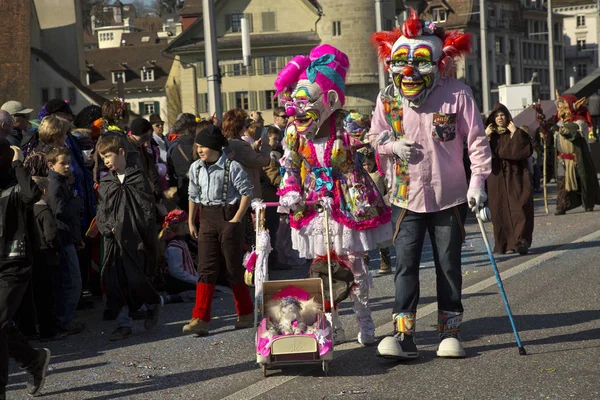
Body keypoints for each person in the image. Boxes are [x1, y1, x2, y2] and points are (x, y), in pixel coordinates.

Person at [369, 10, 492, 359]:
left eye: (419, 61)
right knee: (406, 265)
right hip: (405, 196)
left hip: (450, 195)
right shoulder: (388, 98)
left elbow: (478, 144)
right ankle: (403, 334)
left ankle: (449, 332)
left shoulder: (458, 94)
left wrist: (478, 183)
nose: (408, 70)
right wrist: (392, 146)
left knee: (448, 265)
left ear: (439, 62)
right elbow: (375, 136)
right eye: (400, 61)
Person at [274, 44, 393, 345]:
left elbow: (374, 141)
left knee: (354, 264)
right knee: (320, 267)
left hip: (350, 201)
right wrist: (289, 191)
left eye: (306, 101)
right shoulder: (293, 131)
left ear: (329, 100)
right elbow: (290, 166)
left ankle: (365, 323)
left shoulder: (347, 123)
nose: (297, 109)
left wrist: (386, 141)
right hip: (314, 205)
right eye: (295, 101)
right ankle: (331, 326)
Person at [183, 125, 254, 336]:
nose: (199, 150)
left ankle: (246, 312)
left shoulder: (232, 167)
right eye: (197, 147)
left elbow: (246, 192)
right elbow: (192, 195)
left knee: (232, 268)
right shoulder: (195, 167)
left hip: (228, 218)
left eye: (202, 146)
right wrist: (190, 221)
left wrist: (236, 219)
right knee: (205, 268)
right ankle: (200, 318)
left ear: (214, 146)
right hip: (206, 219)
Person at [96, 135, 162, 341]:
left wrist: (135, 230)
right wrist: (107, 227)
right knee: (113, 279)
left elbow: (145, 210)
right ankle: (123, 324)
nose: (105, 161)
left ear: (122, 152)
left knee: (135, 277)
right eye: (102, 157)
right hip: (113, 240)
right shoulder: (106, 182)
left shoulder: (138, 178)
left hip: (135, 239)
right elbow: (102, 210)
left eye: (108, 156)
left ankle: (153, 302)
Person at [0, 139, 50, 399]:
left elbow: (33, 194)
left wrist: (18, 163)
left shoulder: (15, 186)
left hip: (13, 262)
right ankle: (32, 360)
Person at [484, 104, 534, 255]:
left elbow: (524, 151)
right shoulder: (490, 136)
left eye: (502, 115)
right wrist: (484, 137)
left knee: (520, 206)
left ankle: (521, 241)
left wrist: (515, 134)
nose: (500, 118)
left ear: (508, 117)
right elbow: (480, 154)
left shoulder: (516, 132)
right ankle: (505, 244)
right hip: (496, 177)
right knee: (499, 210)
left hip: (516, 176)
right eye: (497, 115)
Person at [47, 147, 85, 335]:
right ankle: (64, 320)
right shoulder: (54, 184)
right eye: (63, 163)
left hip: (68, 237)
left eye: (69, 162)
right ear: (51, 165)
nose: (68, 166)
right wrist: (77, 201)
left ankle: (65, 319)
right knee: (72, 281)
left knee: (69, 281)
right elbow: (60, 211)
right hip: (62, 238)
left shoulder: (61, 181)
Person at [552, 92, 600, 215]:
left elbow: (575, 135)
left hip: (578, 158)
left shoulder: (580, 122)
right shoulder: (558, 124)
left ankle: (588, 203)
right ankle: (562, 206)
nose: (561, 110)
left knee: (583, 181)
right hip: (563, 159)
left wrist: (562, 130)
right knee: (562, 183)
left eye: (564, 106)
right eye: (559, 107)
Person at [30, 176, 64, 341]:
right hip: (46, 256)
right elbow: (51, 235)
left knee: (37, 295)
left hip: (33, 257)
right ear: (44, 191)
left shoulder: (28, 210)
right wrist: (57, 248)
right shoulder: (45, 211)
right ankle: (49, 330)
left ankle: (34, 328)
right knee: (47, 296)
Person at [158, 210, 198, 302]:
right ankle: (168, 298)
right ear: (181, 226)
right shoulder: (174, 247)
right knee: (196, 294)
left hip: (187, 279)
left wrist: (198, 277)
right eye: (186, 224)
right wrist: (195, 280)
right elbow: (175, 271)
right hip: (178, 282)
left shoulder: (181, 242)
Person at [167, 115, 200, 210]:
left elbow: (171, 172)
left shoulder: (173, 148)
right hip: (199, 189)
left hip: (182, 189)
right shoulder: (198, 146)